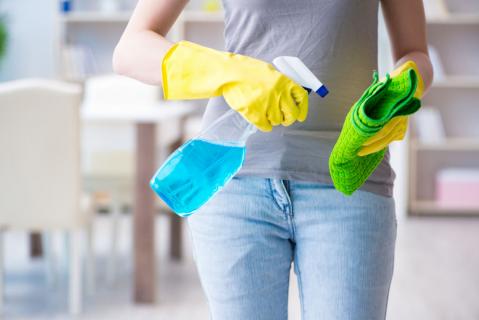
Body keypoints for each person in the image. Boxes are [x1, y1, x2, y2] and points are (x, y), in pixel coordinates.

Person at [113, 0, 433, 319]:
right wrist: (230, 71)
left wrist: (404, 89)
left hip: (349, 184)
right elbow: (131, 48)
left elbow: (415, 52)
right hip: (235, 183)